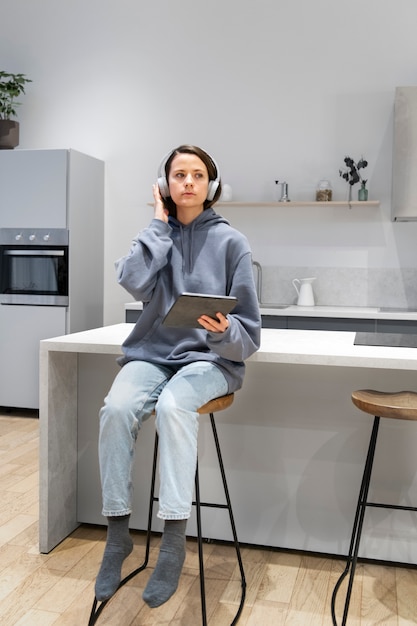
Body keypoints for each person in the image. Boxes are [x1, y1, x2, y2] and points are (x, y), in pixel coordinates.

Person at [95, 144, 261, 608]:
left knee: (173, 406)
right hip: (153, 353)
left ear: (211, 185)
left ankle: (172, 541)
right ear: (165, 184)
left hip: (211, 360)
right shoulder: (156, 234)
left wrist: (225, 330)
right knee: (116, 409)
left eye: (197, 175)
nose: (188, 182)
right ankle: (117, 534)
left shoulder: (232, 242)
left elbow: (250, 333)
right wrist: (157, 225)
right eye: (178, 175)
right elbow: (131, 280)